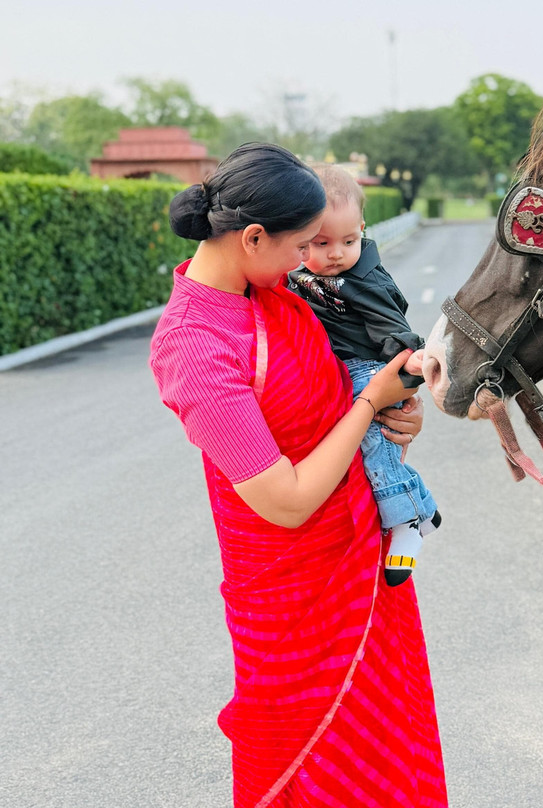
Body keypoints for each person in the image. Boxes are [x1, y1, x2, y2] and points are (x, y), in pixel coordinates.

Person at [148, 143, 447, 808]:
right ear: (253, 237)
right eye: (300, 246)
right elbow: (283, 502)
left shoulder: (279, 291)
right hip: (289, 596)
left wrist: (396, 412)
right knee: (298, 763)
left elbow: (347, 383)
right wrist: (369, 403)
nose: (308, 262)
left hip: (363, 563)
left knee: (387, 750)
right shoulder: (196, 344)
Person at [288, 165, 438, 586]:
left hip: (367, 366)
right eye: (321, 243)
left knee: (372, 437)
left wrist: (408, 362)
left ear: (363, 231)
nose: (336, 253)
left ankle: (407, 517)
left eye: (349, 241)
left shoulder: (362, 279)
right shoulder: (299, 273)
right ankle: (420, 504)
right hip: (337, 367)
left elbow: (392, 325)